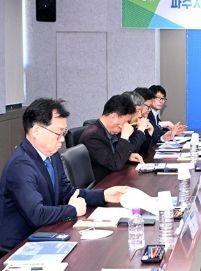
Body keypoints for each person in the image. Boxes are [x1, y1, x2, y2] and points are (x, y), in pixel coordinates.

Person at [0, 98, 128, 249]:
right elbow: (37, 214)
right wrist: (72, 210)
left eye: (64, 132)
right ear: (37, 131)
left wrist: (103, 195)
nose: (62, 140)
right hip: (20, 245)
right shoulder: (21, 166)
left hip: (47, 231)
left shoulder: (51, 154)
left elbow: (66, 192)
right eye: (58, 133)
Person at [79, 94, 144, 182]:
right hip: (101, 184)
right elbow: (115, 165)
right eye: (125, 121)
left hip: (112, 178)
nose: (125, 125)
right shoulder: (93, 136)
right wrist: (125, 136)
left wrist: (128, 156)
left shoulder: (106, 130)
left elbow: (112, 156)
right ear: (113, 117)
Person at [123, 90, 154, 156]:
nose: (140, 115)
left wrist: (149, 133)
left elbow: (142, 151)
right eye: (137, 111)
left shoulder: (133, 123)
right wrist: (140, 131)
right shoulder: (119, 127)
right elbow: (131, 151)